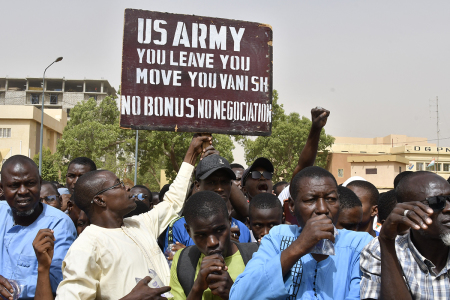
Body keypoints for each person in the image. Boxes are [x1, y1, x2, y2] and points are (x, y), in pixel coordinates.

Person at [50, 135, 211, 300]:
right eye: (118, 184)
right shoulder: (86, 247)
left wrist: (191, 154)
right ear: (100, 200)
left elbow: (172, 201)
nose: (127, 188)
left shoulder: (139, 225)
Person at [230, 166, 373, 300]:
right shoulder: (278, 237)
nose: (322, 209)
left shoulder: (358, 245)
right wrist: (298, 247)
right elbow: (239, 295)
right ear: (292, 206)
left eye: (331, 199)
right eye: (311, 200)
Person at [360, 171, 450, 300]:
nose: (448, 208)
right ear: (408, 211)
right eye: (437, 202)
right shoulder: (378, 250)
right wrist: (386, 242)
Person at [0, 155, 76, 299]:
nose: (23, 191)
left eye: (30, 183)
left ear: (40, 183)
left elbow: (56, 282)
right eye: (14, 185)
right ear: (2, 188)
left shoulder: (59, 224)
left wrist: (10, 289)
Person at [170, 191, 258, 300]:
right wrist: (197, 289)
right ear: (189, 232)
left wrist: (233, 293)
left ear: (229, 222)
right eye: (201, 235)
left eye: (219, 230)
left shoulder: (257, 257)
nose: (212, 242)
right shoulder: (182, 261)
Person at [162, 155, 252, 254]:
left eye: (224, 182)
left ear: (231, 185)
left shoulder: (243, 229)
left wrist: (232, 249)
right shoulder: (178, 227)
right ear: (197, 185)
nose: (219, 188)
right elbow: (174, 264)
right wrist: (190, 255)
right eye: (212, 182)